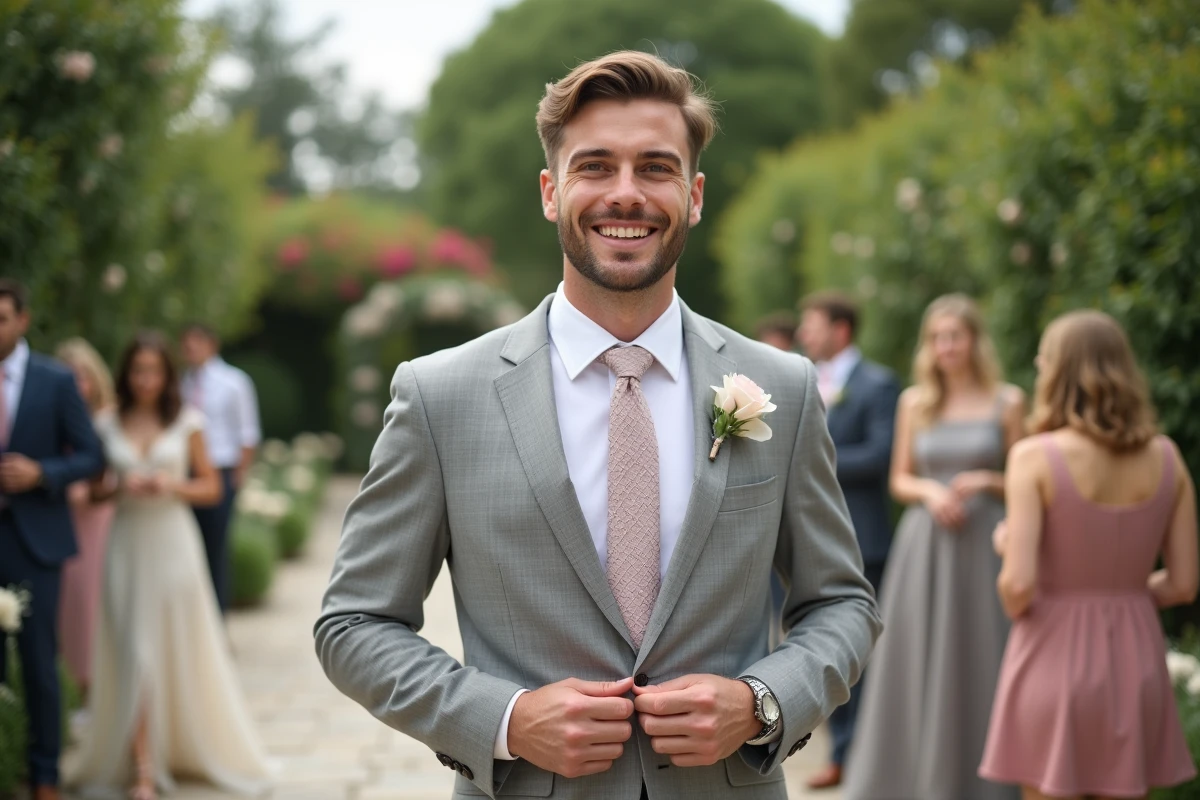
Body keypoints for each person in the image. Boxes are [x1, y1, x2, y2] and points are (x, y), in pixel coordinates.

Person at [315, 51, 881, 800]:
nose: (625, 194)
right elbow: (353, 624)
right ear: (552, 192)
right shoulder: (438, 395)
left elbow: (841, 604)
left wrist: (760, 703)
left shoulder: (784, 386)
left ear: (694, 193)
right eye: (595, 167)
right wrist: (507, 719)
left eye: (655, 168)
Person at [980, 310, 1197, 799]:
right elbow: (1183, 584)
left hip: (1051, 662)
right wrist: (1116, 595)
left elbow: (1018, 588)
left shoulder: (1034, 457)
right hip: (1137, 665)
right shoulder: (1168, 457)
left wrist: (1008, 544)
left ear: (1055, 372)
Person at [65, 332, 270, 800]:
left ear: (166, 375)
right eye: (138, 370)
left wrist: (170, 486)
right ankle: (141, 767)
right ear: (125, 373)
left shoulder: (188, 422)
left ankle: (171, 752)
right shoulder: (106, 422)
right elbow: (95, 490)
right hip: (127, 544)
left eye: (154, 371)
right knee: (133, 649)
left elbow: (211, 488)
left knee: (170, 648)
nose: (145, 380)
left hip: (173, 545)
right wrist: (120, 485)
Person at [844, 293, 1025, 800]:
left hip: (987, 542)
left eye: (955, 336)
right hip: (927, 547)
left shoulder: (1008, 401)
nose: (946, 347)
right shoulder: (915, 403)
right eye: (937, 338)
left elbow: (1029, 480)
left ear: (974, 340)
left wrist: (987, 480)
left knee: (984, 654)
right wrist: (930, 491)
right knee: (919, 659)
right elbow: (900, 478)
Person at [0, 280, 105, 800]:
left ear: (22, 320)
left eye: (0, 318)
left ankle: (45, 775)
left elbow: (92, 456)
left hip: (35, 538)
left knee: (41, 664)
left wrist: (42, 473)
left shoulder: (56, 380)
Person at [796, 290, 899, 791]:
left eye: (812, 325)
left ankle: (864, 757)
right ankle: (840, 752)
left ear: (840, 330)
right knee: (821, 646)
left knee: (863, 651)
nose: (803, 334)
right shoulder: (799, 380)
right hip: (808, 539)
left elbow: (881, 455)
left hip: (864, 537)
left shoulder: (879, 384)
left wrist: (810, 458)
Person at [179, 322, 261, 612]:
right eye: (186, 344)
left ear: (211, 344)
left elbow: (248, 432)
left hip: (221, 471)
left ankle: (218, 618)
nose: (190, 350)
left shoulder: (234, 382)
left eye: (196, 343)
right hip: (185, 475)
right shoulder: (180, 383)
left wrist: (238, 476)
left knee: (215, 549)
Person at [55, 337, 118, 705]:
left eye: (83, 375)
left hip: (100, 523)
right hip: (63, 522)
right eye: (69, 376)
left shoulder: (107, 419)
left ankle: (98, 691)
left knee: (97, 604)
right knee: (70, 609)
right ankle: (75, 688)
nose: (78, 384)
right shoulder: (52, 417)